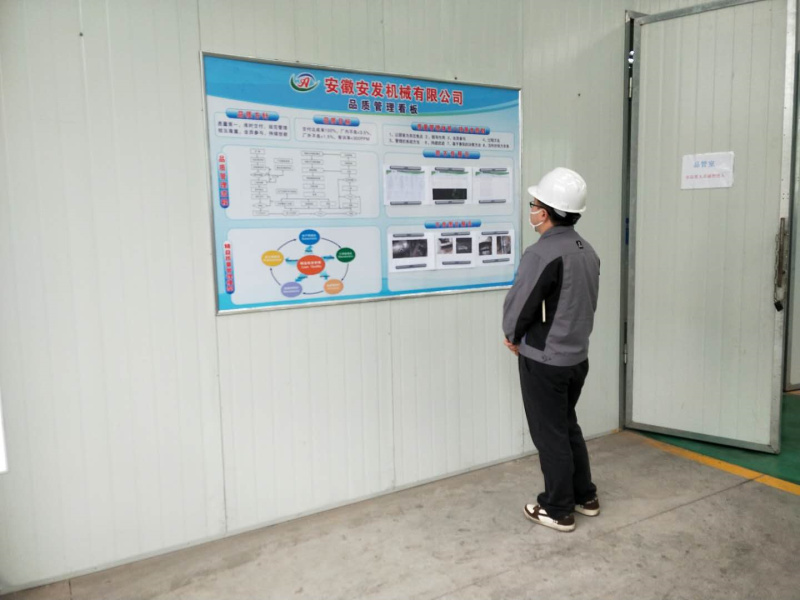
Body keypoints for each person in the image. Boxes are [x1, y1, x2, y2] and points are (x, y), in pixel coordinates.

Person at [502, 167, 601, 533]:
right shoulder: (587, 251)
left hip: (544, 361)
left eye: (534, 205)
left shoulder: (542, 253)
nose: (531, 210)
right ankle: (585, 495)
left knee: (550, 434)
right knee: (566, 425)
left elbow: (520, 305)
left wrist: (512, 335)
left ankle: (557, 508)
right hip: (576, 358)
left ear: (543, 213)